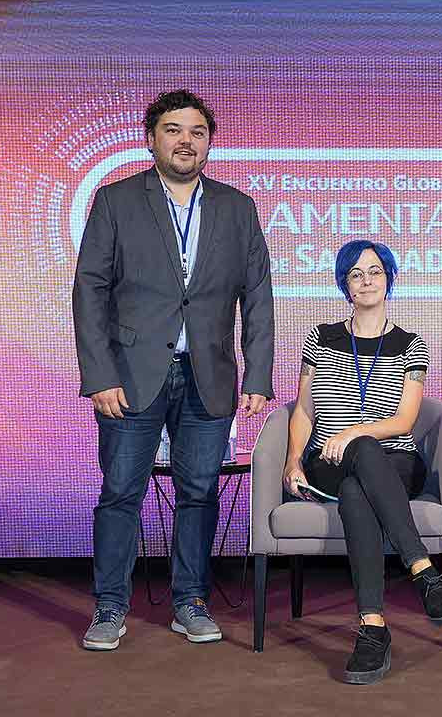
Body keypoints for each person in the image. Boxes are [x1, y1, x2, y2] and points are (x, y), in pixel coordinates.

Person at [72, 90, 274, 650]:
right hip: (131, 376)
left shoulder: (237, 207)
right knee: (121, 492)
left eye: (197, 132)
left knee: (200, 493)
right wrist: (99, 375)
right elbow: (89, 291)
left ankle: (190, 601)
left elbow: (258, 297)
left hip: (209, 375)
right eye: (173, 130)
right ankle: (109, 607)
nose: (186, 141)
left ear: (209, 143)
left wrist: (257, 375)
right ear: (151, 139)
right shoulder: (116, 201)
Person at [282, 239, 442, 685]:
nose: (366, 281)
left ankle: (373, 628)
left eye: (375, 272)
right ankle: (423, 571)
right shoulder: (321, 337)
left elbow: (404, 420)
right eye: (356, 274)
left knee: (357, 481)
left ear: (389, 279)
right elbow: (303, 410)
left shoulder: (411, 344)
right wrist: (292, 461)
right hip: (328, 461)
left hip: (395, 461)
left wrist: (354, 432)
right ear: (344, 284)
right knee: (352, 468)